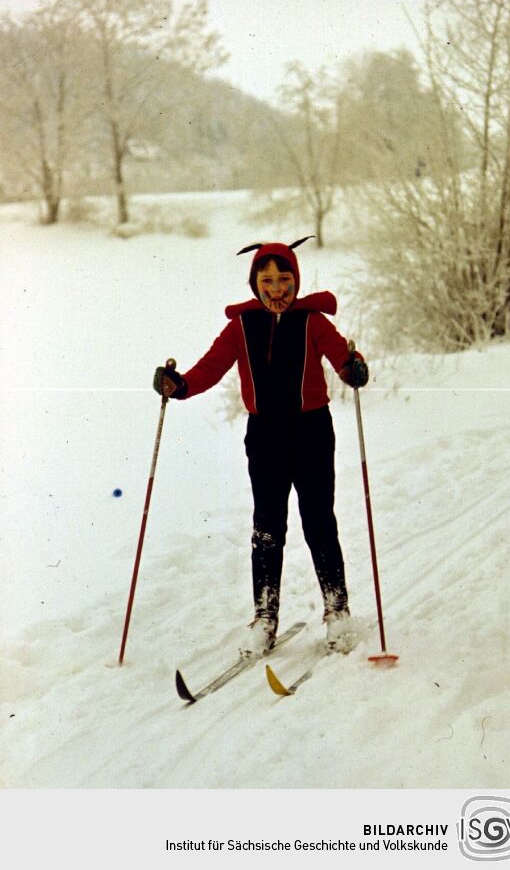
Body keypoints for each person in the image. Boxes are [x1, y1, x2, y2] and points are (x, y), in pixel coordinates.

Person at [153, 238, 369, 657]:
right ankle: (265, 617)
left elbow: (342, 362)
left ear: (296, 280)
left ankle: (337, 609)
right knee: (267, 528)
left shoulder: (313, 321)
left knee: (318, 520)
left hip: (311, 432)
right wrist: (178, 387)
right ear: (255, 283)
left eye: (284, 279)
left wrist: (353, 369)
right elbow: (209, 368)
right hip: (265, 436)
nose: (276, 289)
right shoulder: (241, 327)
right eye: (267, 280)